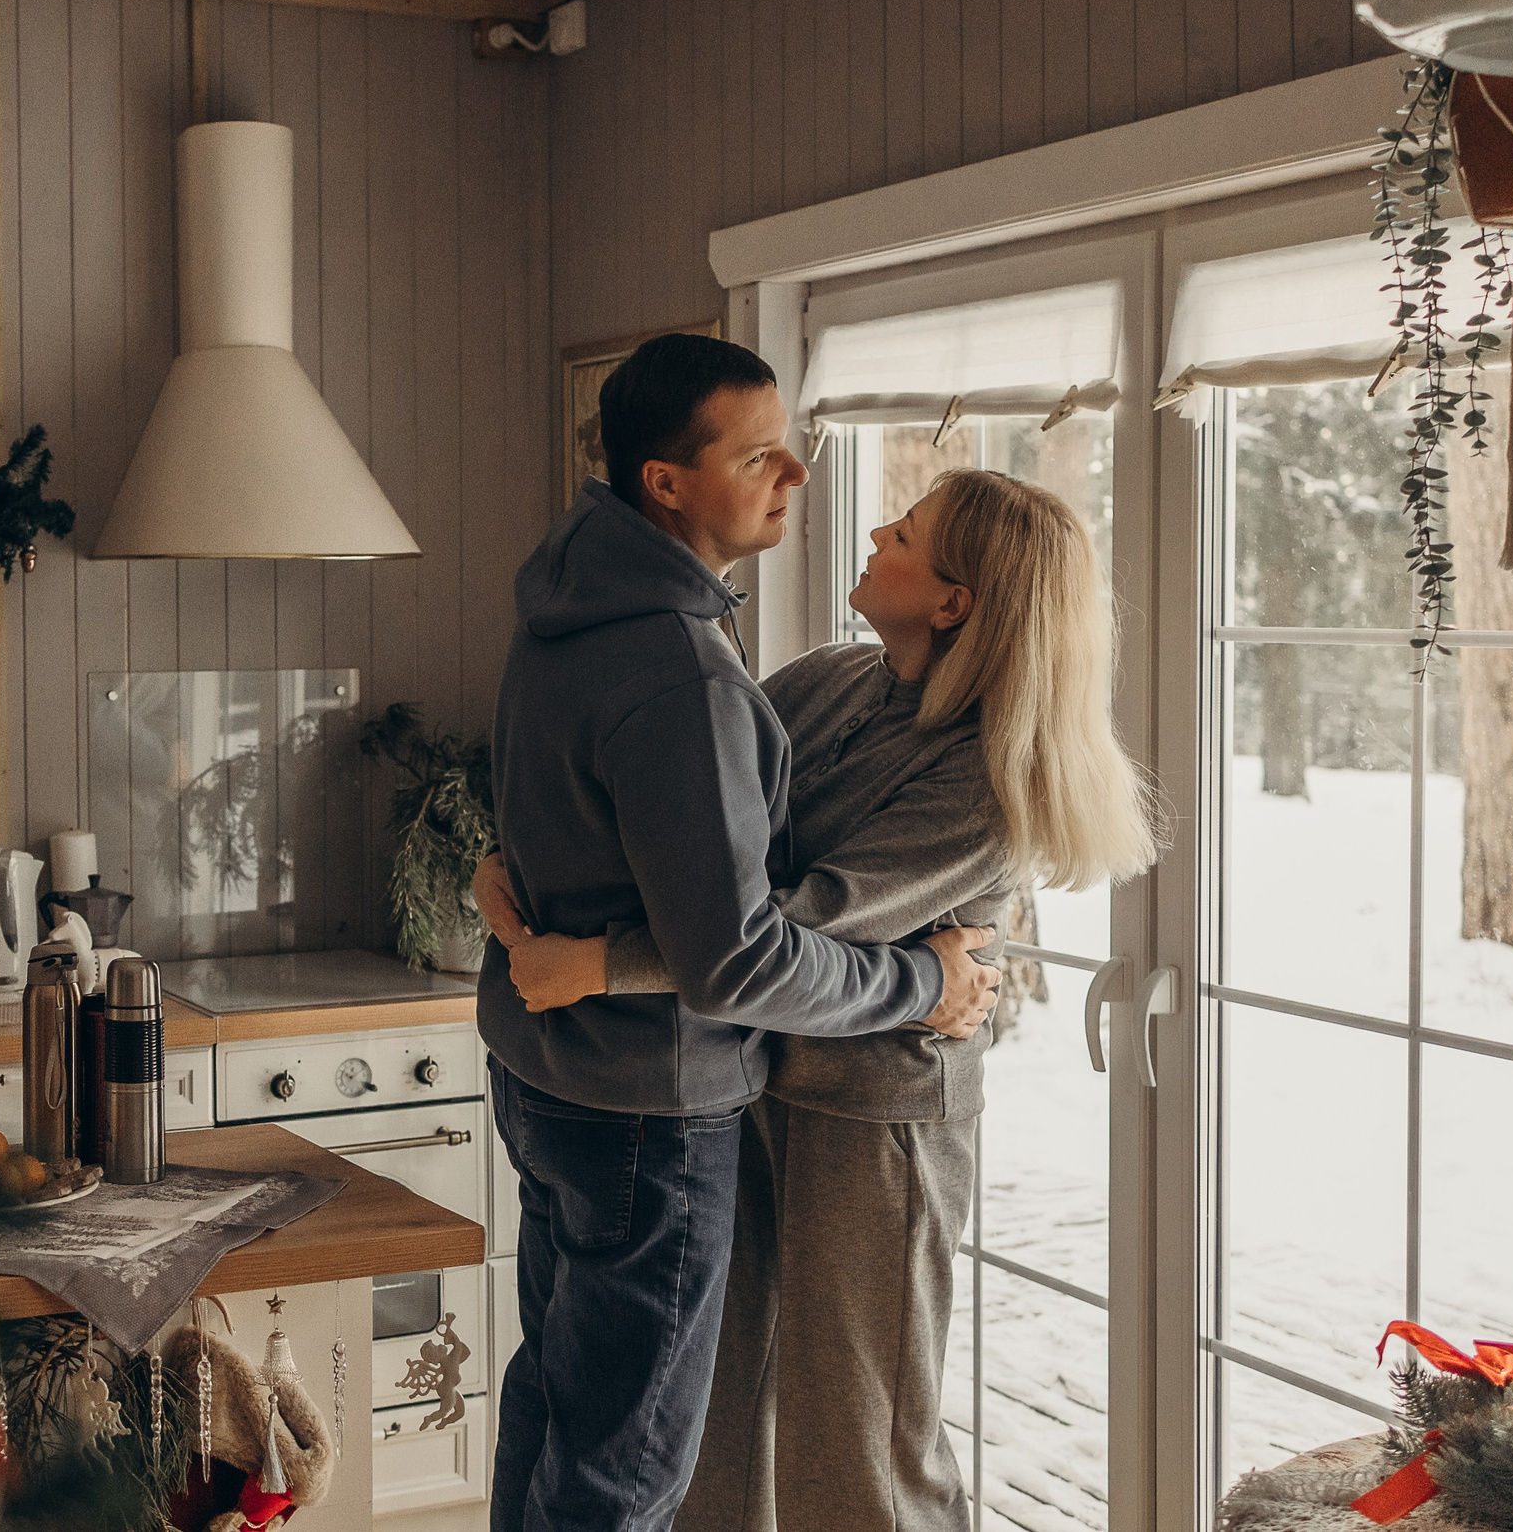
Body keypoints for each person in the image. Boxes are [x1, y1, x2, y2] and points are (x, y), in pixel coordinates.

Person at [481, 468, 1164, 1532]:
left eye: (903, 532)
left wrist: (601, 961)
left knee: (862, 1445)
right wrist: (512, 863)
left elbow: (787, 920)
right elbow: (692, 846)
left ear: (954, 600)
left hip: (873, 1123)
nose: (873, 532)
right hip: (748, 1082)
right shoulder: (833, 678)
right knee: (713, 1416)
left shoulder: (988, 778)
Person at [478, 333, 1003, 1532]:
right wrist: (918, 984)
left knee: (556, 1404)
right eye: (762, 453)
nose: (798, 476)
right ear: (668, 483)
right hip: (650, 1104)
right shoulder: (689, 674)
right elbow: (738, 956)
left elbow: (577, 822)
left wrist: (511, 887)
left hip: (550, 1077)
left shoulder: (564, 602)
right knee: (630, 1460)